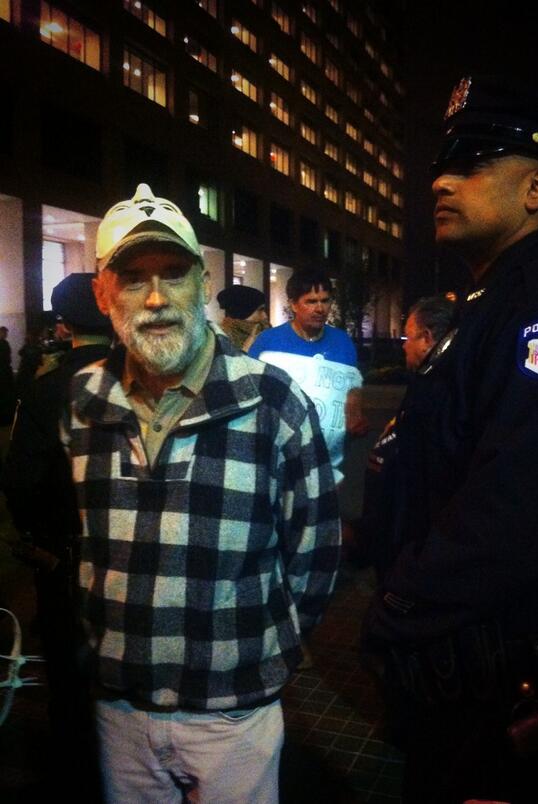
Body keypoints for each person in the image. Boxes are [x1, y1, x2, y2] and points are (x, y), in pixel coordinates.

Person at [60, 183, 340, 803]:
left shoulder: (272, 399)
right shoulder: (82, 402)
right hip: (121, 709)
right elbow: (77, 541)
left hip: (233, 712)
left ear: (201, 285)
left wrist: (273, 650)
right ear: (104, 295)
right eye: (133, 278)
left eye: (175, 273)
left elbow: (316, 549)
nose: (157, 298)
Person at [362, 75, 538, 803]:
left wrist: (400, 604)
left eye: (471, 163)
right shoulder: (488, 302)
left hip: (501, 667)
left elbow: (523, 503)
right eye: (443, 162)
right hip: (465, 658)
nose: (441, 179)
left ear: (536, 189)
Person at [2, 272, 113, 798]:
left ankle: (75, 774)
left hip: (64, 554)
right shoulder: (136, 378)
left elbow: (20, 479)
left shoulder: (48, 388)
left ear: (63, 323)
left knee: (69, 674)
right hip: (132, 552)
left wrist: (34, 533)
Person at [344, 295, 456, 576]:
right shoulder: (426, 385)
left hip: (407, 550)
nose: (404, 345)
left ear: (427, 338)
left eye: (408, 337)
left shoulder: (439, 395)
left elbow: (412, 482)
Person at [249, 271, 363, 483]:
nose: (320, 308)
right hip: (278, 462)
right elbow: (248, 393)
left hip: (327, 466)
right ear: (293, 304)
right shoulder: (268, 343)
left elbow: (352, 394)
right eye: (311, 301)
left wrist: (355, 417)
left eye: (325, 300)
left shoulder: (343, 343)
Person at [216, 284, 270, 352]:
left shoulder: (267, 331)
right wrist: (245, 349)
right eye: (260, 310)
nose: (265, 316)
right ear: (244, 312)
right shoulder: (222, 338)